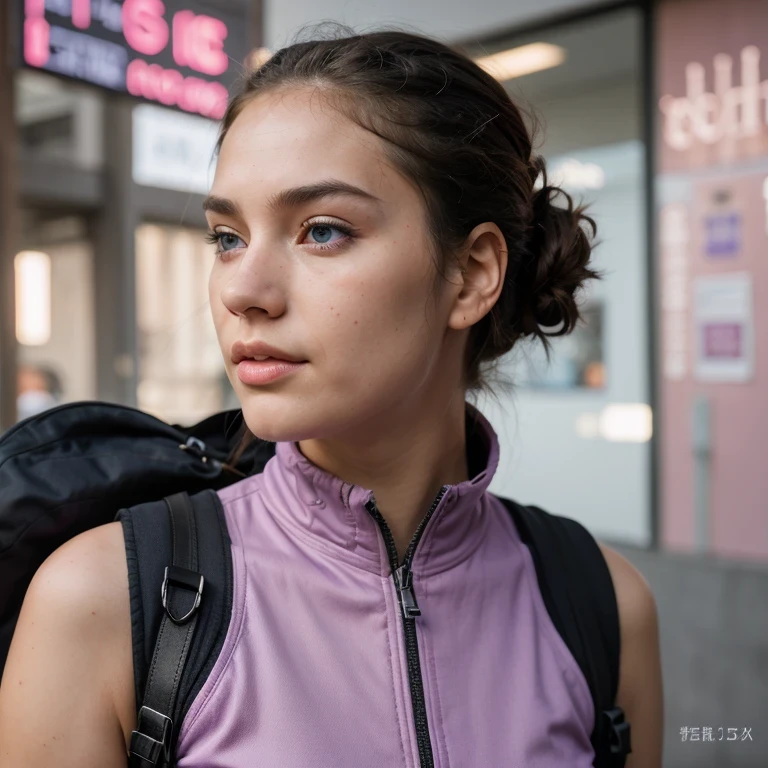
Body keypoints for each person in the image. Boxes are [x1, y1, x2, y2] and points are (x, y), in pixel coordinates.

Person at [0, 25, 663, 767]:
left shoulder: (601, 605)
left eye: (321, 231)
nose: (243, 291)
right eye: (227, 237)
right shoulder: (101, 603)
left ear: (472, 273)